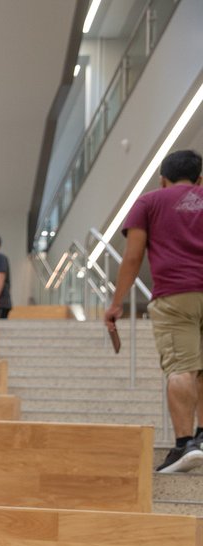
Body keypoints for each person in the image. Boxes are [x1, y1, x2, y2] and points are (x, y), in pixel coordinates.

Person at [105, 149, 203, 473]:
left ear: (162, 179)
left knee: (181, 368)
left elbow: (132, 257)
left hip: (175, 295)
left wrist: (117, 303)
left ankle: (185, 444)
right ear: (200, 178)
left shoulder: (150, 202)